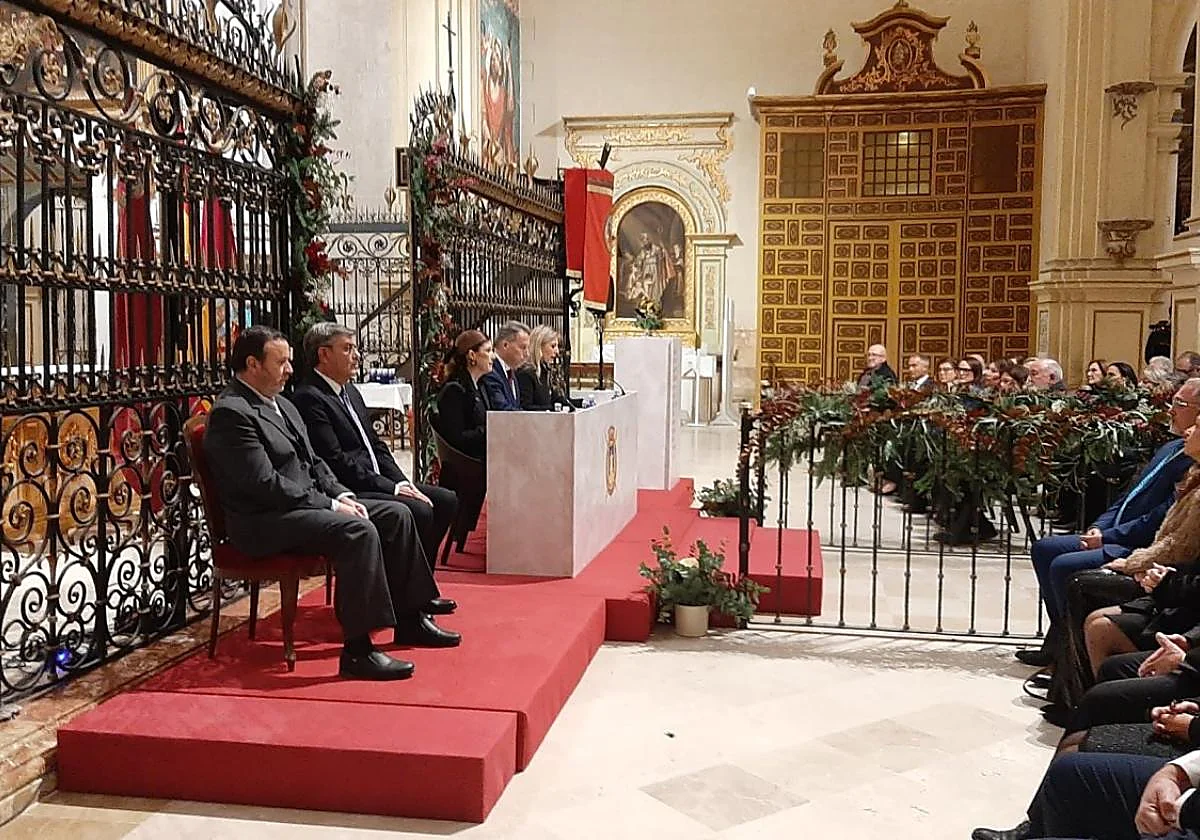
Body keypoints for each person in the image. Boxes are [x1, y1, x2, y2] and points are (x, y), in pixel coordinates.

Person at [202, 326, 460, 682]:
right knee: (357, 530)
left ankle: (410, 619)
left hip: (302, 507)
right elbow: (264, 485)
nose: (290, 369)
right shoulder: (233, 413)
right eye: (281, 362)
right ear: (252, 364)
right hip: (265, 520)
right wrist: (330, 505)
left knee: (396, 514)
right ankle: (357, 651)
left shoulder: (283, 405)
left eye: (290, 360)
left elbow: (316, 464)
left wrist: (342, 494)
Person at [1016, 379, 1200, 667]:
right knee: (1045, 548)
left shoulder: (1192, 461)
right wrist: (1101, 527)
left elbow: (1160, 518)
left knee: (1064, 565)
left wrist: (1110, 537)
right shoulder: (1172, 447)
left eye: (1180, 404)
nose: (1171, 410)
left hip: (1135, 543)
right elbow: (1129, 495)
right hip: (1114, 533)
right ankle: (1061, 639)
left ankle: (1069, 654)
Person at [293, 322, 459, 569]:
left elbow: (376, 445)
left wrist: (401, 482)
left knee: (445, 500)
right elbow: (336, 459)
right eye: (348, 349)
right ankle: (404, 591)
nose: (357, 356)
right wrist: (391, 488)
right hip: (350, 487)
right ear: (324, 354)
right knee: (419, 510)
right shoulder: (310, 397)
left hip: (376, 480)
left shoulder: (350, 390)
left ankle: (419, 582)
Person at [435, 329, 492, 461]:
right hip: (468, 465)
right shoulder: (454, 390)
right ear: (472, 355)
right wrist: (489, 431)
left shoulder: (481, 385)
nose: (492, 356)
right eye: (487, 351)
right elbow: (457, 439)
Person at [517, 325, 576, 411]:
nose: (557, 352)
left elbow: (556, 399)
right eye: (553, 346)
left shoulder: (545, 371)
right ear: (539, 347)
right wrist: (555, 409)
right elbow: (526, 407)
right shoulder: (526, 373)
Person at [479, 320, 530, 411]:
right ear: (505, 345)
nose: (527, 354)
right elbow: (502, 409)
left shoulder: (511, 372)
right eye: (523, 347)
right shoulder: (490, 370)